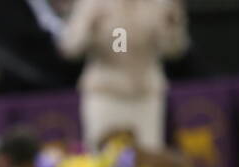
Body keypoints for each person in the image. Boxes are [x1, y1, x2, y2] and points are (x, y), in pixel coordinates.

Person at [58, 0, 188, 150]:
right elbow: (70, 48)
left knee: (149, 159)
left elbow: (174, 51)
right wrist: (88, 27)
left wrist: (173, 26)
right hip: (105, 94)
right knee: (103, 160)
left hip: (146, 94)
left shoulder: (159, 4)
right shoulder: (92, 3)